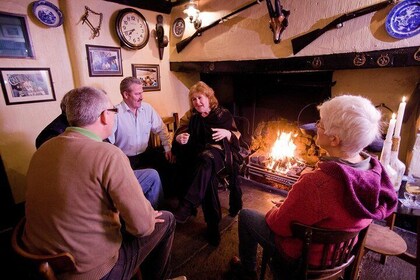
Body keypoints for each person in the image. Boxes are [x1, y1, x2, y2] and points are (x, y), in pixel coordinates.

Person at [227, 95, 398, 280]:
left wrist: (277, 209)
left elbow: (279, 226)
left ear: (334, 140)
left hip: (305, 258)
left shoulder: (316, 183)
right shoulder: (375, 173)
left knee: (246, 216)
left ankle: (247, 271)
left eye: (321, 124)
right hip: (340, 254)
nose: (317, 126)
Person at [23, 86, 184, 280]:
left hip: (40, 260)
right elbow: (142, 228)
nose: (115, 115)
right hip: (94, 272)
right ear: (104, 116)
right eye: (114, 111)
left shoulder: (44, 147)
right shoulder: (109, 154)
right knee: (166, 220)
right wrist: (146, 217)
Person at [34, 89, 163, 209]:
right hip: (83, 191)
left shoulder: (83, 126)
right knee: (150, 178)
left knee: (152, 172)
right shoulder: (52, 135)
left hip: (96, 179)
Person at [172, 81, 243, 246]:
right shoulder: (193, 117)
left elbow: (237, 137)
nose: (197, 102)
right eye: (194, 99)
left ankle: (187, 206)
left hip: (223, 155)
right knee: (207, 174)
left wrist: (227, 133)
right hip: (202, 157)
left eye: (200, 98)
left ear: (209, 98)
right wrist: (178, 138)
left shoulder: (223, 115)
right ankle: (212, 226)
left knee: (206, 161)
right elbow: (183, 132)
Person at [107, 77, 174, 195]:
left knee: (169, 163)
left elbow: (161, 129)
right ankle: (149, 209)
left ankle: (166, 202)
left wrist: (167, 148)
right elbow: (108, 143)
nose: (142, 97)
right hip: (125, 160)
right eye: (137, 94)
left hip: (145, 155)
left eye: (141, 93)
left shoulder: (147, 109)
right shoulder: (115, 113)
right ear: (126, 94)